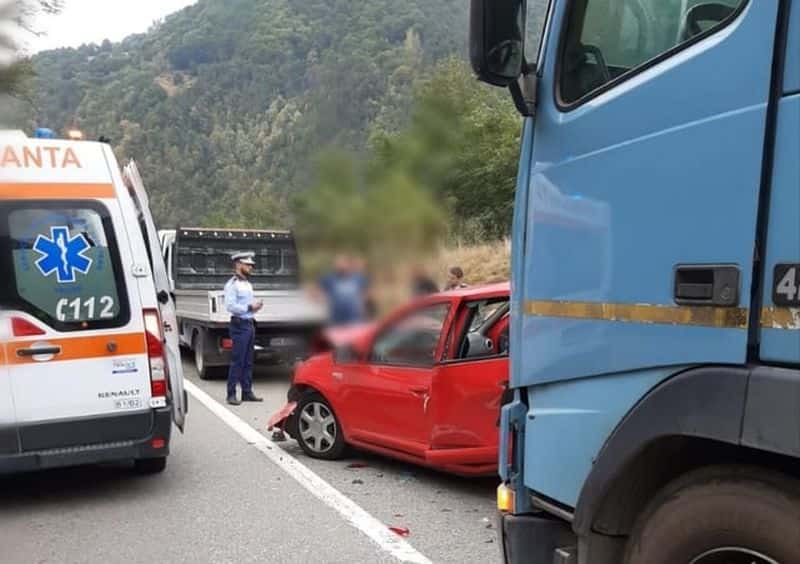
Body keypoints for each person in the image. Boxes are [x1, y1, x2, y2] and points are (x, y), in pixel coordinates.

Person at [224, 251, 264, 406]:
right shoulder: (232, 285)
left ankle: (247, 392)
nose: (251, 267)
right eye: (248, 265)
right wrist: (249, 306)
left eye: (251, 265)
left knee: (248, 361)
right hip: (239, 325)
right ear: (238, 264)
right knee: (238, 361)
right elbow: (230, 306)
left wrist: (255, 307)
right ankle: (231, 394)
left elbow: (245, 306)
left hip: (249, 324)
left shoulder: (247, 284)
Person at [318, 254, 369, 326]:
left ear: (348, 265)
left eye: (342, 263)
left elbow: (365, 293)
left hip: (355, 317)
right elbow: (317, 290)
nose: (340, 265)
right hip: (336, 318)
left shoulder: (358, 278)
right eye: (337, 263)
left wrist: (364, 308)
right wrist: (323, 299)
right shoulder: (329, 278)